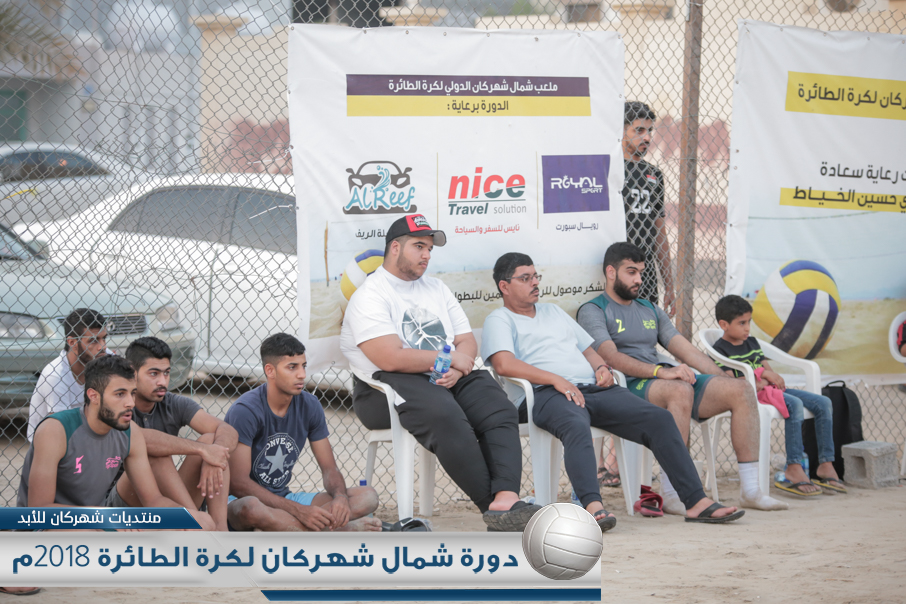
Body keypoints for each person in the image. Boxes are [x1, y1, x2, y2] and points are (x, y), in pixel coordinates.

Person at [483, 252, 744, 527]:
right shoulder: (500, 319)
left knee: (659, 419)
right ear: (504, 286)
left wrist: (601, 368)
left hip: (592, 388)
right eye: (525, 278)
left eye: (535, 276)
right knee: (576, 424)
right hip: (544, 394)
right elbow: (504, 364)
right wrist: (555, 380)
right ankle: (592, 507)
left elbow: (588, 350)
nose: (535, 282)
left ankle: (696, 502)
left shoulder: (553, 311)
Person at [341, 214, 541, 531]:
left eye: (430, 249)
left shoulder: (436, 287)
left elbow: (466, 341)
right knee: (446, 415)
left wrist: (458, 369)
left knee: (499, 407)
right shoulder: (371, 294)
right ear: (395, 248)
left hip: (449, 374)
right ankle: (493, 508)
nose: (426, 255)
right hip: (386, 386)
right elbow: (389, 358)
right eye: (419, 246)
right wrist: (447, 360)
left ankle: (506, 498)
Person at [576, 242, 788, 512]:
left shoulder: (650, 309)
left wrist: (724, 377)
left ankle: (751, 490)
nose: (638, 279)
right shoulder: (593, 310)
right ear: (610, 272)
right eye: (631, 272)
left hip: (663, 381)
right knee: (679, 389)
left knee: (741, 389)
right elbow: (610, 357)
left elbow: (686, 350)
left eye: (641, 272)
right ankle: (673, 492)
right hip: (627, 385)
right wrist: (660, 371)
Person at [17, 355, 215, 530]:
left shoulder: (130, 433)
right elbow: (40, 511)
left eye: (133, 393)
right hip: (50, 529)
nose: (130, 403)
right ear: (94, 396)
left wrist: (188, 517)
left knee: (198, 524)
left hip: (100, 523)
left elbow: (154, 500)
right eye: (120, 394)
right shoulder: (56, 430)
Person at [224, 333, 381, 532]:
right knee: (252, 508)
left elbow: (329, 469)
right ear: (270, 370)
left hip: (284, 499)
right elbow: (238, 484)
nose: (302, 375)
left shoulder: (310, 405)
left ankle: (288, 528)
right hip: (241, 501)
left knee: (367, 497)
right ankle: (339, 530)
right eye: (292, 367)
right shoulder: (246, 410)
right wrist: (298, 510)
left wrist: (340, 498)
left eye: (303, 366)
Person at [713, 295, 846, 496]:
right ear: (724, 324)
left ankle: (825, 464)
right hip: (752, 396)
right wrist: (763, 376)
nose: (747, 328)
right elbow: (736, 384)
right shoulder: (720, 350)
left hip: (772, 390)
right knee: (794, 404)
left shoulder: (751, 343)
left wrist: (765, 376)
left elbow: (770, 374)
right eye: (742, 323)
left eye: (749, 322)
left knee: (823, 402)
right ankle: (794, 466)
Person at [104, 337, 239, 531]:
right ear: (132, 372)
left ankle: (218, 528)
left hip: (167, 501)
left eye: (166, 373)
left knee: (213, 440)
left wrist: (214, 453)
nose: (162, 381)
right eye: (153, 373)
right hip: (124, 505)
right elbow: (141, 439)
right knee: (154, 454)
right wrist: (202, 450)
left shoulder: (172, 403)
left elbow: (227, 430)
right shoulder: (119, 405)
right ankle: (197, 526)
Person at [622, 101, 676, 315]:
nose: (646, 137)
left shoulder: (654, 175)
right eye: (639, 130)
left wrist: (669, 285)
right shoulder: (608, 169)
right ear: (621, 131)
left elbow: (660, 231)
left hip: (645, 274)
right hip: (615, 270)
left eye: (649, 130)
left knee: (646, 329)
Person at [27, 308, 109, 441]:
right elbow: (61, 430)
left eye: (104, 338)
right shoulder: (55, 376)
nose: (102, 346)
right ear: (72, 343)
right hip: (53, 442)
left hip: (89, 435)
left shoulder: (101, 354)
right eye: (94, 340)